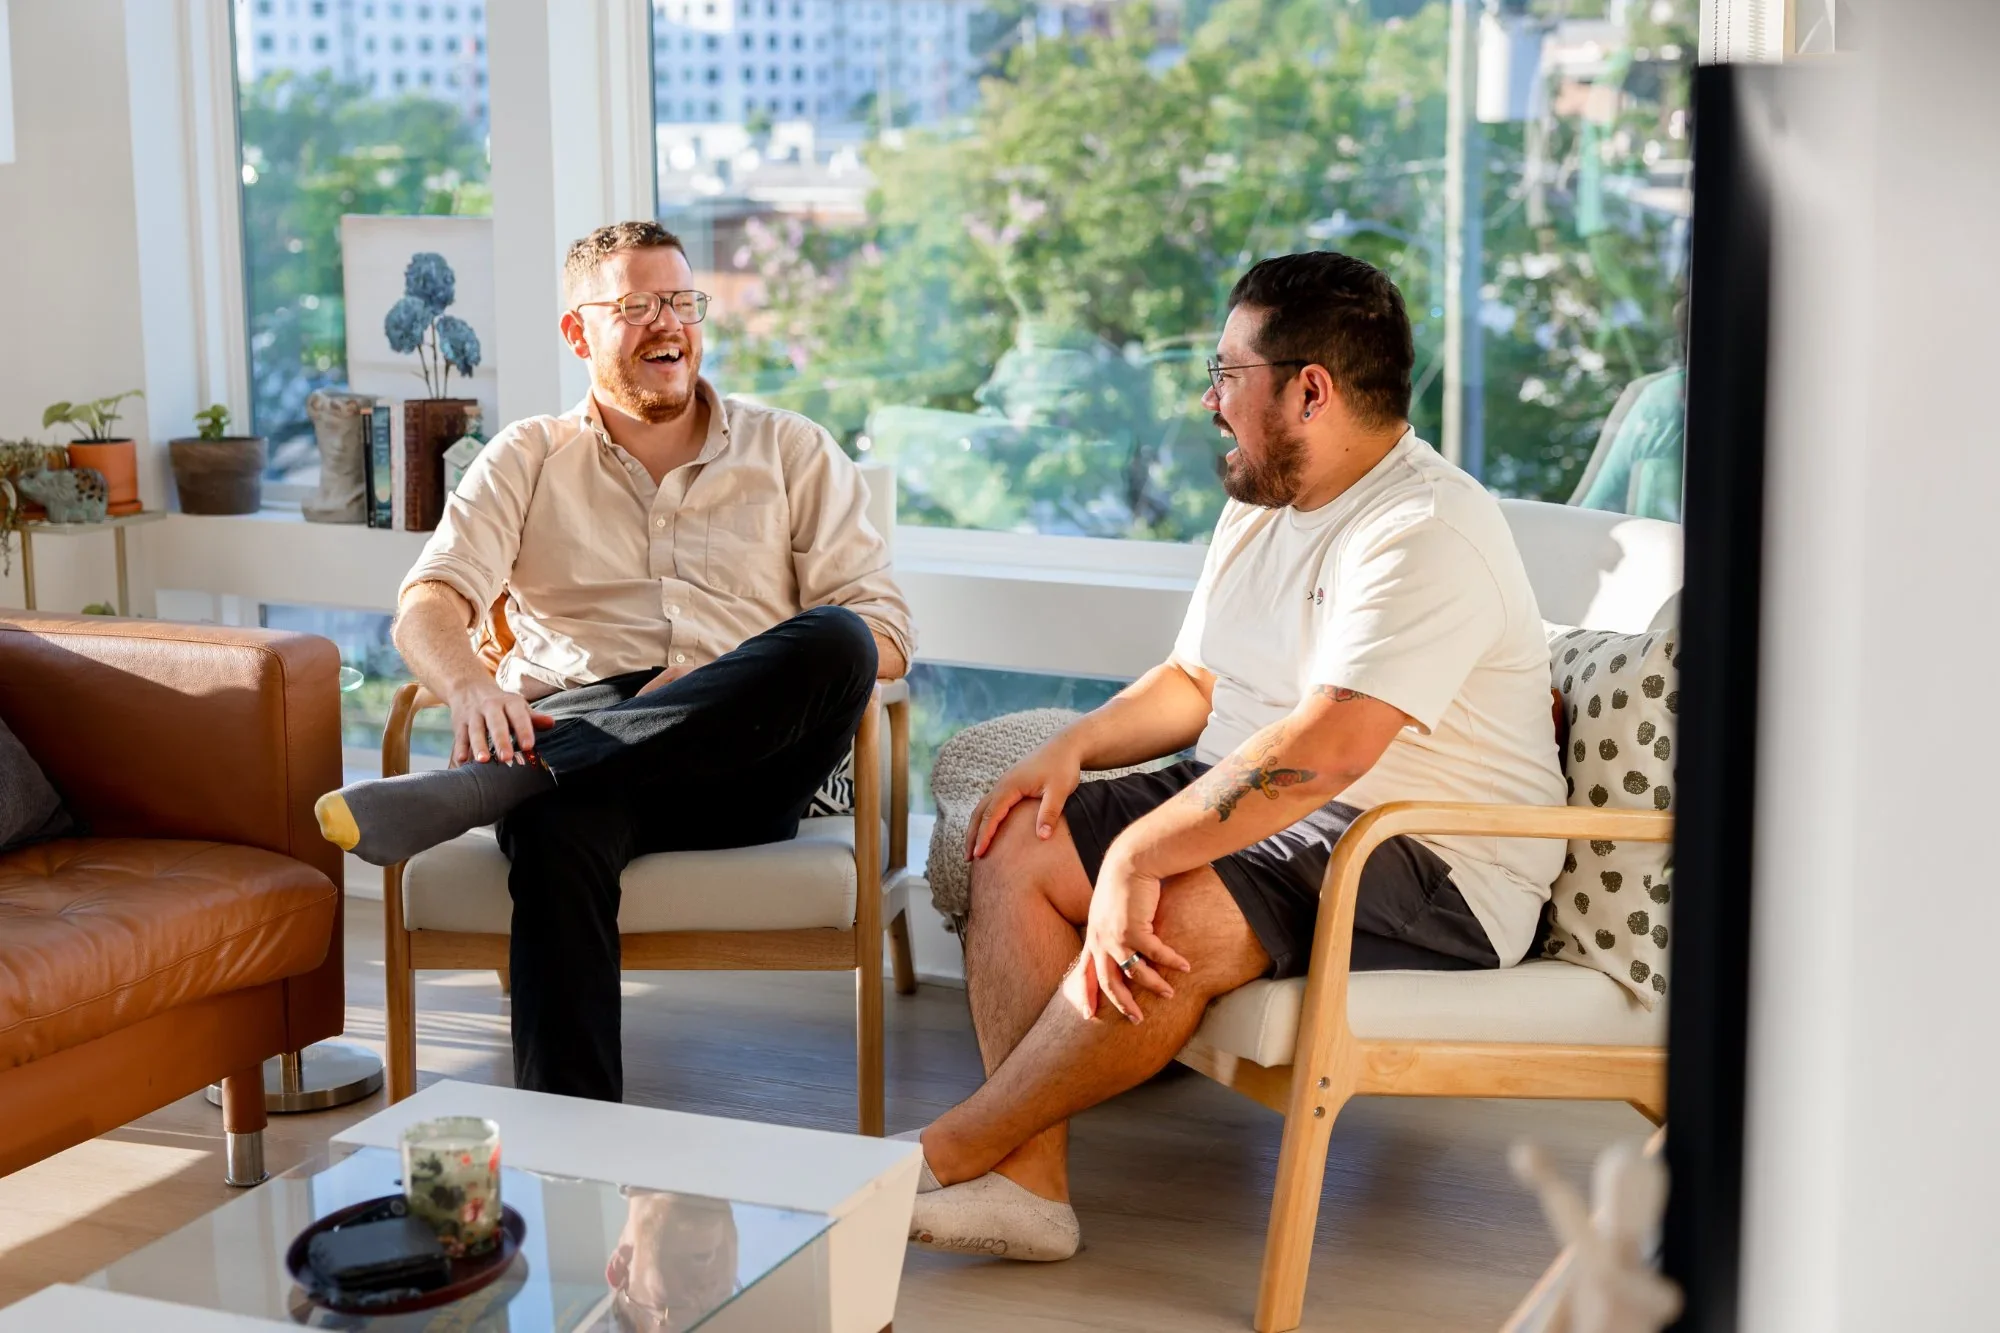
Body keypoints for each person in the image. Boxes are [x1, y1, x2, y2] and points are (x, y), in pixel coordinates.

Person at [901, 252, 1565, 1261]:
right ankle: (1027, 1189)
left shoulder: (1422, 527)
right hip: (1282, 796)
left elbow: (1329, 750)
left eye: (1225, 375)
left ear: (1309, 390)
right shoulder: (1260, 498)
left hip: (1429, 852)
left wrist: (1136, 857)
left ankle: (945, 1150)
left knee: (1170, 903)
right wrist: (1072, 749)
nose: (1209, 402)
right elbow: (1194, 681)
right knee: (1011, 839)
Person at [314, 220, 914, 1102]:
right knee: (560, 831)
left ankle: (508, 780)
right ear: (577, 332)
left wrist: (713, 685)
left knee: (839, 639)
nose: (666, 323)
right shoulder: (523, 457)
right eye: (634, 306)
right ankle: (573, 1152)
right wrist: (473, 685)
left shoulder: (790, 448)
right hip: (579, 722)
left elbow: (887, 635)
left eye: (679, 301)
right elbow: (426, 605)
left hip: (747, 751)